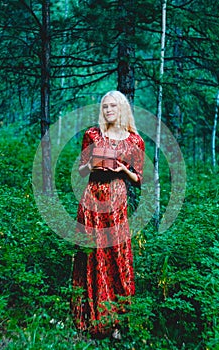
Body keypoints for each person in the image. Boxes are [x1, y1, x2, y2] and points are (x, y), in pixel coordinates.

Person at [71, 90, 145, 339]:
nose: (108, 110)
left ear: (122, 108)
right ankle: (91, 319)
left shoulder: (134, 140)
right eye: (105, 106)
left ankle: (117, 321)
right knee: (92, 254)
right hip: (92, 196)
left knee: (116, 253)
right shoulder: (92, 135)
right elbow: (81, 172)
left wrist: (124, 168)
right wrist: (91, 164)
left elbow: (138, 178)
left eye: (113, 106)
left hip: (116, 198)